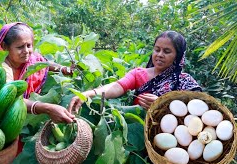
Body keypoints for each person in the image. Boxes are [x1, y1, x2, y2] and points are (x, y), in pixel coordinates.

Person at [68, 30, 202, 113]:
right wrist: (88, 94)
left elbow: (198, 110)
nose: (160, 54)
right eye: (157, 49)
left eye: (167, 51)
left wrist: (163, 104)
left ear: (178, 56)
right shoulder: (139, 74)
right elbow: (117, 86)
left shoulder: (184, 81)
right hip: (139, 137)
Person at [0, 22, 74, 124]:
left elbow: (44, 63)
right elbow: (11, 99)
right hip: (3, 120)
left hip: (23, 115)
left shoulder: (30, 60)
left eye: (29, 45)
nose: (26, 51)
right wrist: (47, 108)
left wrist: (64, 69)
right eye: (20, 47)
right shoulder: (2, 70)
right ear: (5, 46)